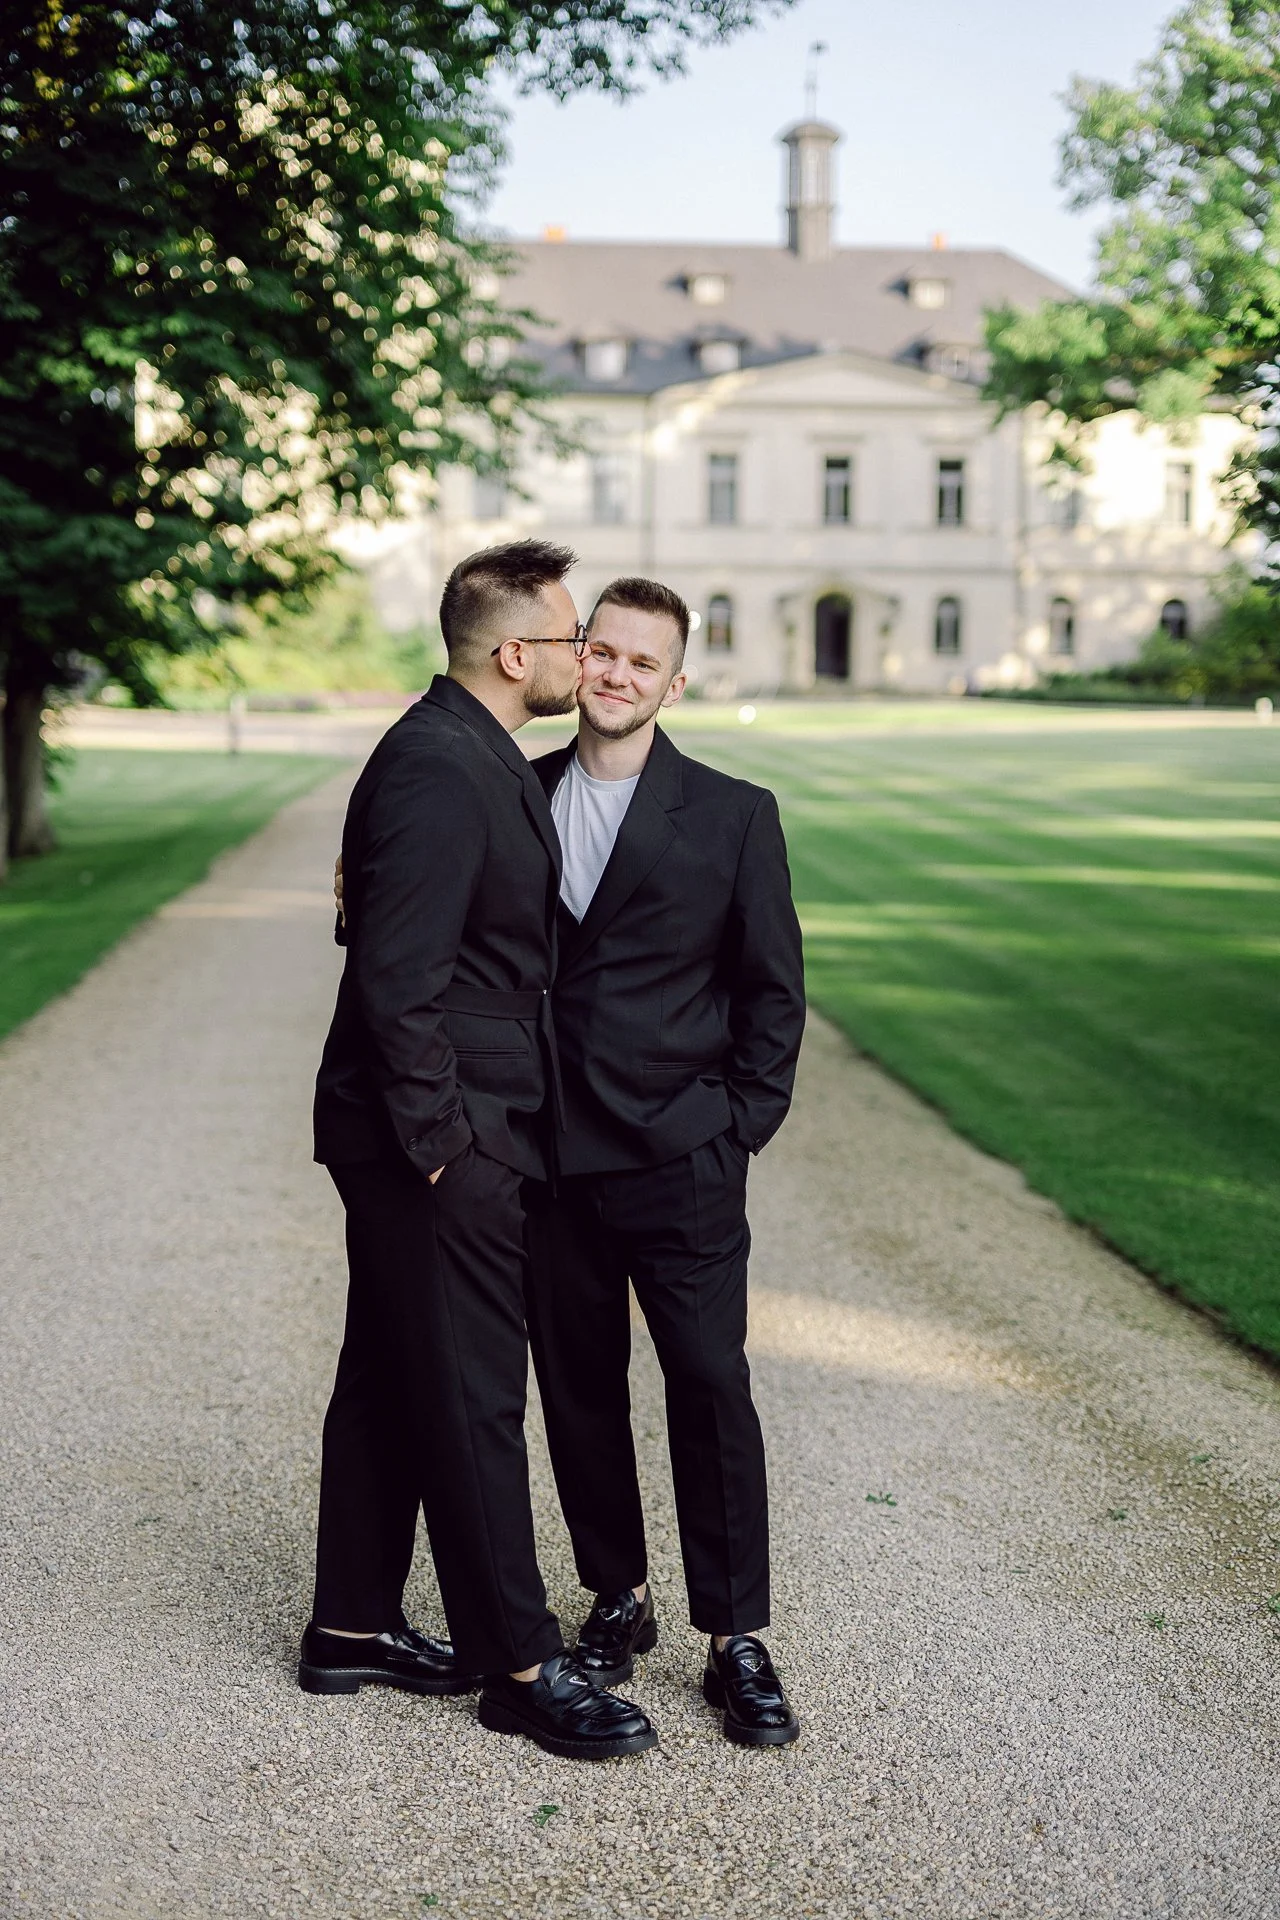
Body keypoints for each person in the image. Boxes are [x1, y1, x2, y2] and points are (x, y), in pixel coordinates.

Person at [304, 539, 657, 1763]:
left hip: (459, 1120)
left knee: (391, 1373)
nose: (584, 657)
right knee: (472, 1391)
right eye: (571, 638)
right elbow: (394, 982)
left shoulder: (466, 751)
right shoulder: (439, 767)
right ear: (515, 654)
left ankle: (349, 1626)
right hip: (437, 1134)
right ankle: (516, 1662)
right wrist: (443, 1149)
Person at [524, 576, 807, 1747]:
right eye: (603, 652)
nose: (617, 675)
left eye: (644, 662)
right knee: (577, 1387)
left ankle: (733, 1636)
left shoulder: (733, 813)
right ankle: (617, 1595)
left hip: (681, 1157)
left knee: (707, 1382)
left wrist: (735, 1126)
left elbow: (772, 992)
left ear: (673, 683)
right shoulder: (515, 792)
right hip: (548, 1157)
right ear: (576, 656)